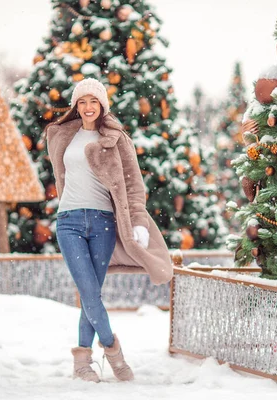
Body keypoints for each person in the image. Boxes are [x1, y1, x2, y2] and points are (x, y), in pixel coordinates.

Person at [45, 78, 173, 383]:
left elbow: (133, 185)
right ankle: (114, 354)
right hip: (69, 221)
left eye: (94, 101)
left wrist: (139, 222)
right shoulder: (62, 136)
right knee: (88, 291)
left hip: (103, 222)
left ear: (103, 105)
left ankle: (83, 363)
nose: (88, 108)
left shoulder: (117, 139)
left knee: (92, 293)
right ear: (76, 106)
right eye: (82, 102)